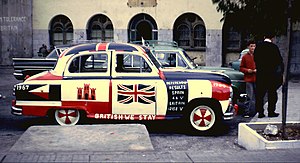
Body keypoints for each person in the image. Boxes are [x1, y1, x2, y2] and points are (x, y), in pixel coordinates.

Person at [254, 33, 284, 118]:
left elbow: (255, 59)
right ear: (273, 38)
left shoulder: (258, 47)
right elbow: (279, 60)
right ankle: (271, 111)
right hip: (271, 74)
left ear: (264, 37)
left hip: (261, 74)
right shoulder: (274, 47)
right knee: (272, 93)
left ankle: (260, 112)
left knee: (260, 94)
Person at [240, 40, 256, 118]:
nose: (253, 48)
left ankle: (258, 111)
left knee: (258, 96)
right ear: (248, 47)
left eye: (254, 46)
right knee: (249, 96)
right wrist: (247, 70)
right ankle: (247, 112)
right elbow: (241, 68)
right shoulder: (245, 57)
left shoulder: (258, 56)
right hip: (249, 79)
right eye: (251, 46)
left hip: (257, 78)